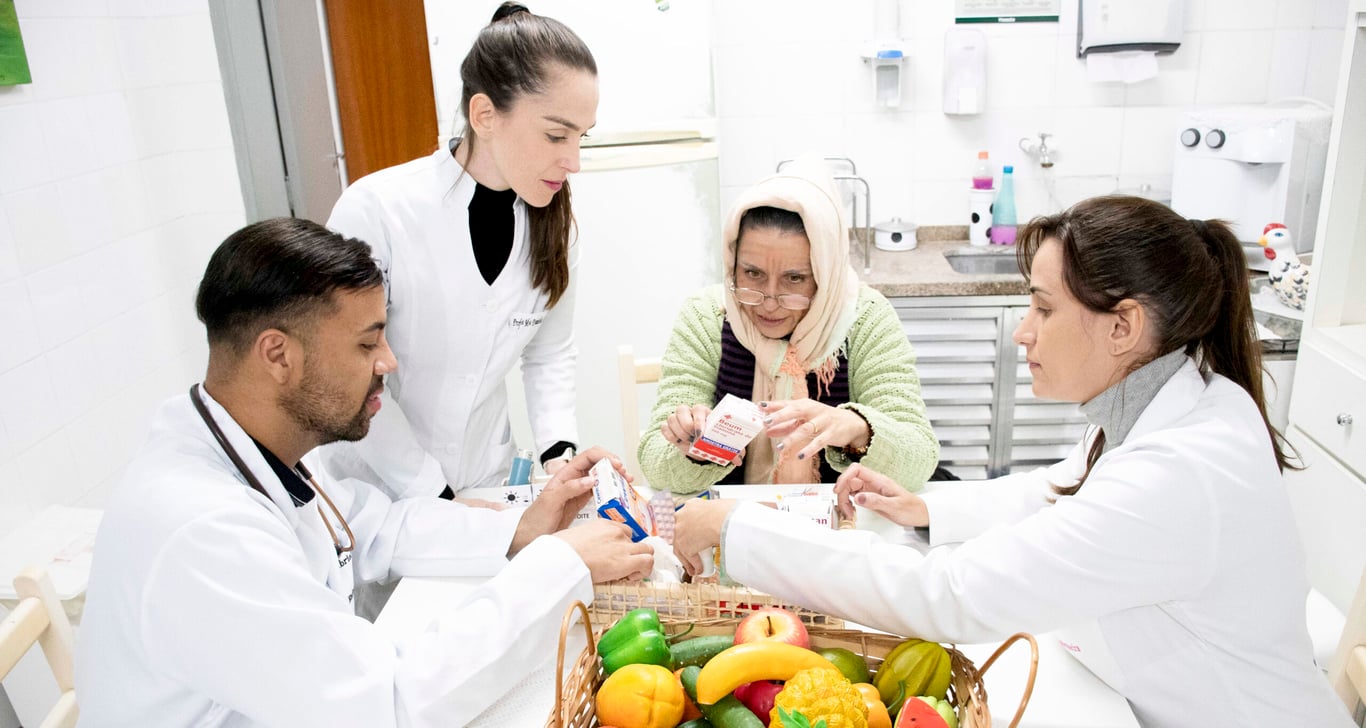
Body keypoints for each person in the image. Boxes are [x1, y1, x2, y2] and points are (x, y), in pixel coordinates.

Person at [671, 196, 1352, 726]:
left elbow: (947, 596)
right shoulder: (1179, 399)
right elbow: (1060, 490)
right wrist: (927, 508)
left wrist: (738, 530)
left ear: (1125, 327)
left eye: (1043, 307)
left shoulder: (1178, 474)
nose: (1023, 331)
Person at [74, 218, 655, 727]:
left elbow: (376, 527)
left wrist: (522, 532)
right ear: (278, 355)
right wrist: (561, 567)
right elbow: (387, 704)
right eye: (366, 343)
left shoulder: (251, 448)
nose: (388, 362)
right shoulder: (202, 530)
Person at [323, 2, 596, 500]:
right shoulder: (377, 210)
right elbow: (348, 372)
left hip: (484, 480)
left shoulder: (556, 227)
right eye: (557, 134)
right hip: (378, 490)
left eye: (582, 137)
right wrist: (436, 495)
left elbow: (549, 352)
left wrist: (559, 451)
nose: (573, 161)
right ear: (485, 114)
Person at [638, 156, 939, 495]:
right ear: (731, 262)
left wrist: (856, 429)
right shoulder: (707, 316)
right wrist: (693, 448)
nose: (768, 302)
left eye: (794, 279)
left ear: (826, 275)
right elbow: (656, 465)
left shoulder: (865, 319)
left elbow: (919, 460)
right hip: (728, 523)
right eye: (752, 274)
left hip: (840, 524)